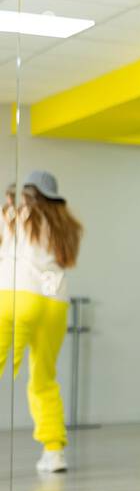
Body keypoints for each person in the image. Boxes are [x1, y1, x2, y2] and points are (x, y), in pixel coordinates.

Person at [0, 171, 83, 473]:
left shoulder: (16, 216)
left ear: (28, 194)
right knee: (43, 379)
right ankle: (54, 451)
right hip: (55, 302)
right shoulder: (64, 224)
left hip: (16, 295)